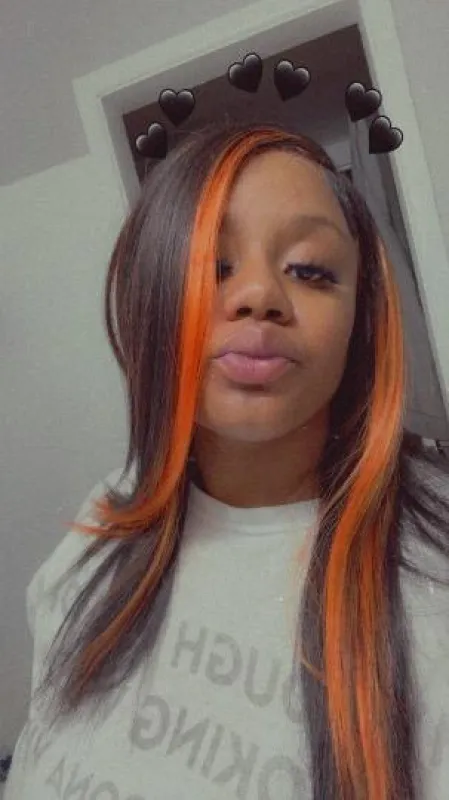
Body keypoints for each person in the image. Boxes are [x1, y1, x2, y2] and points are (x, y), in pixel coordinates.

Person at [4, 121, 449, 800]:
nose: (258, 296)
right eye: (212, 266)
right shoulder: (105, 518)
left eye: (310, 269)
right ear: (149, 299)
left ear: (360, 322)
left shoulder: (431, 579)